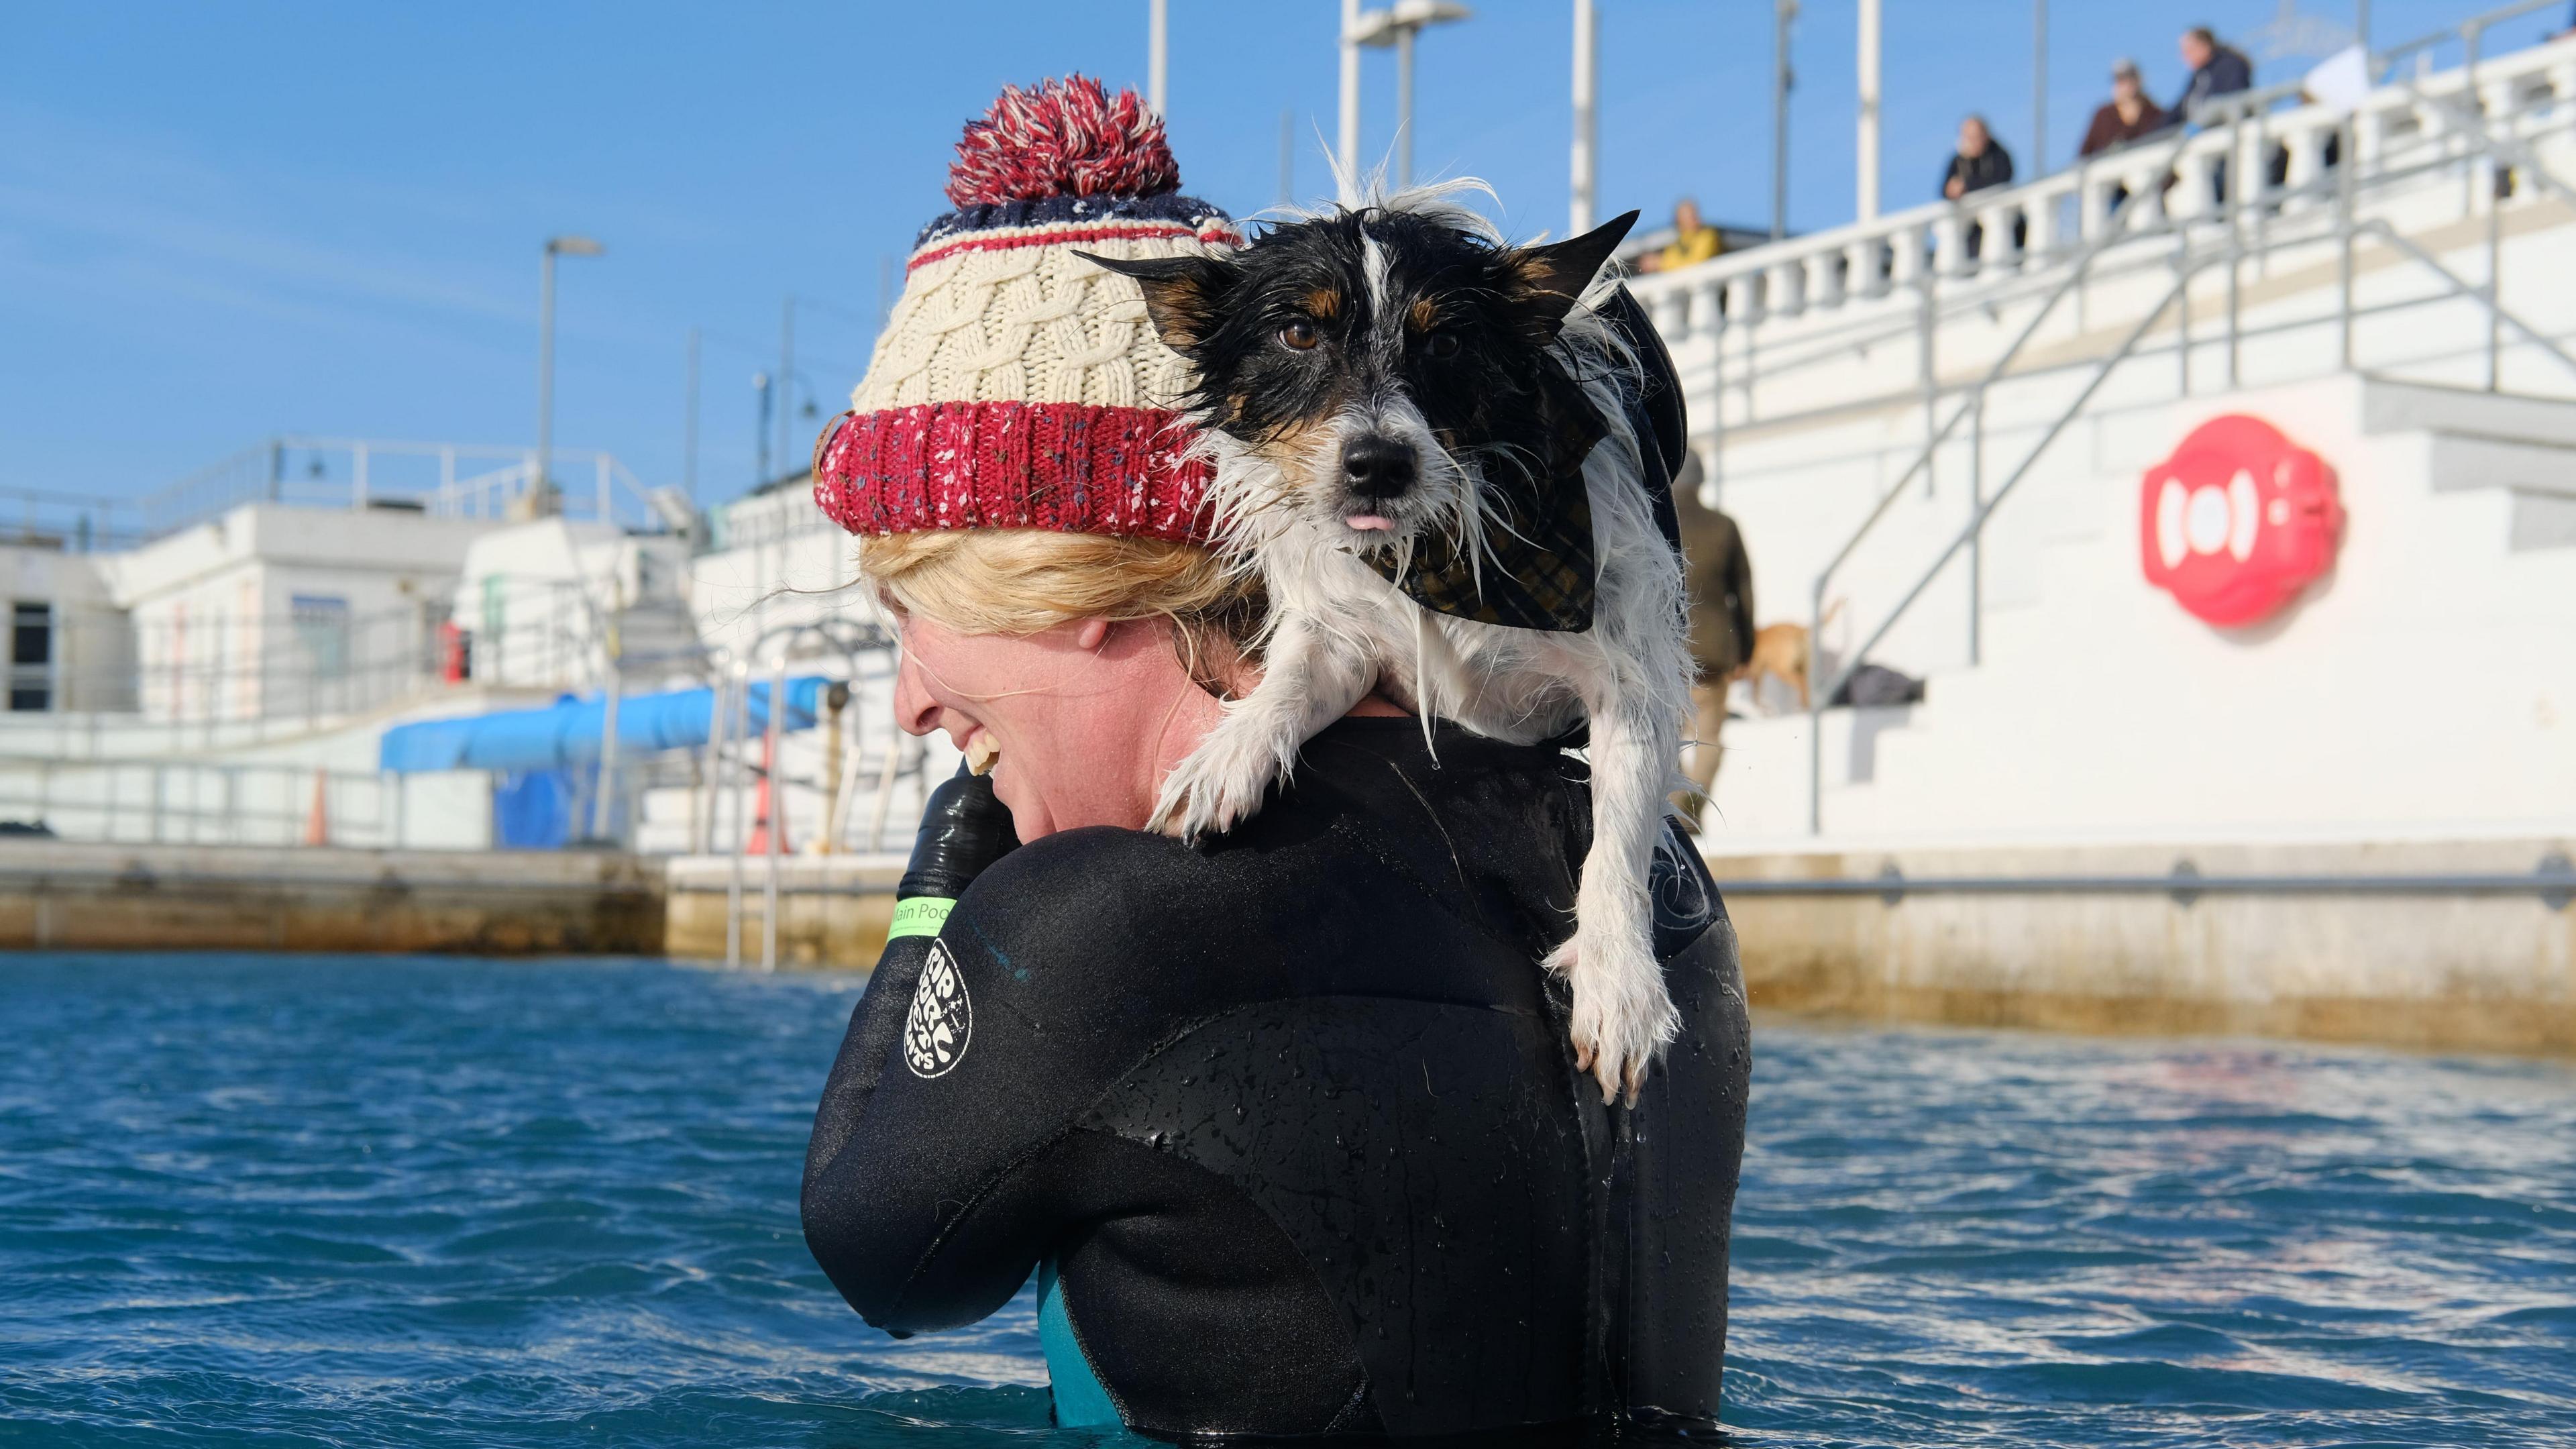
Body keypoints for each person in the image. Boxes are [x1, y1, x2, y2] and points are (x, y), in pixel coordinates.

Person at [798, 78, 1751, 1442]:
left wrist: (937, 901)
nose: (905, 703)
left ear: (1070, 586)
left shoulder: (1108, 929)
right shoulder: (1654, 883)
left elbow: (877, 1252)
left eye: (909, 612)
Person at [1670, 455, 1752, 834]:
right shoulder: (1725, 526)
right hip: (1712, 653)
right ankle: (1692, 804)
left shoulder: (1657, 521)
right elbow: (1744, 593)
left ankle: (1674, 808)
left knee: (1665, 735)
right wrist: (1746, 650)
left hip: (1664, 653)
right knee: (1710, 737)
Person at [1940, 115, 2018, 260]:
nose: (1972, 141)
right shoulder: (1957, 161)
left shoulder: (1999, 155)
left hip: (2001, 229)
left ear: (1986, 135)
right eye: (1968, 137)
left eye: (1976, 136)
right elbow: (1944, 191)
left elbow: (2002, 179)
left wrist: (1966, 186)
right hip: (1970, 233)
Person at [2080, 58, 2174, 158]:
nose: (2127, 84)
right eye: (2120, 80)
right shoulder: (2103, 116)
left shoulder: (2155, 115)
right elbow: (2084, 153)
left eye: (2130, 77)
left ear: (2139, 80)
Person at [2176, 25, 2253, 122]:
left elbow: (2235, 96)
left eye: (2189, 51)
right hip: (2199, 130)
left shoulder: (2230, 65)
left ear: (2204, 46)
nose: (2185, 57)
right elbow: (2179, 109)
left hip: (2224, 127)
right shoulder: (2198, 76)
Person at [1644, 197, 1723, 274]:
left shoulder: (1708, 236)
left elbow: (1696, 263)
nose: (1695, 218)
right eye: (1689, 215)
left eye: (1694, 214)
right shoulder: (1676, 245)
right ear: (1679, 220)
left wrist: (1660, 263)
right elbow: (1671, 258)